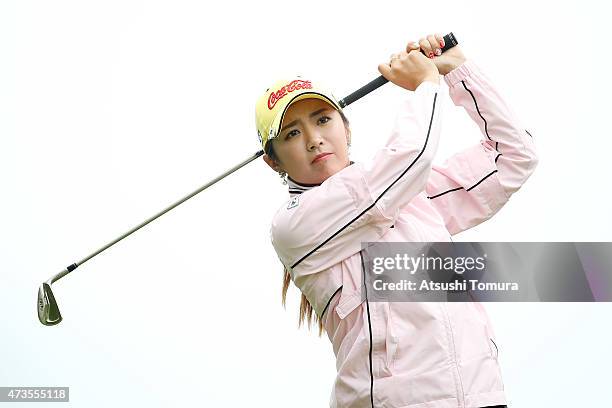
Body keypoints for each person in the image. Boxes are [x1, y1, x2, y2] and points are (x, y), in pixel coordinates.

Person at [254, 32, 537, 408]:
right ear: (272, 160)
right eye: (292, 133)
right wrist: (425, 84)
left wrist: (458, 71)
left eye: (323, 120)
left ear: (346, 128)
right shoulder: (294, 225)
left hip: (482, 396)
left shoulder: (409, 193)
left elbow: (514, 157)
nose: (313, 139)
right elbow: (408, 160)